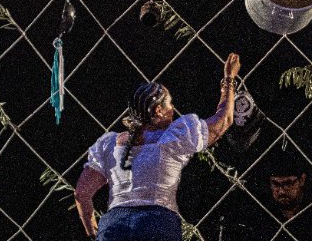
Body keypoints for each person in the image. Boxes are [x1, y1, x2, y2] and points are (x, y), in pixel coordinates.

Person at [74, 53, 241, 240]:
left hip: (115, 226)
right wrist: (229, 80)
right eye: (170, 104)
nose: (173, 108)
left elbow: (82, 194)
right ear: (158, 111)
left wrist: (93, 233)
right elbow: (224, 120)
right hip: (156, 223)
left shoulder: (109, 144)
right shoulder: (174, 138)